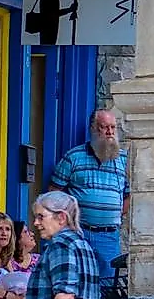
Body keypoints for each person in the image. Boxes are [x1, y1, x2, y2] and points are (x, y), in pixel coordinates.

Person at [50, 108, 129, 273]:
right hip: (79, 232)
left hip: (108, 236)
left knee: (107, 286)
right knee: (76, 282)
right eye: (104, 127)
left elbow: (129, 196)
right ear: (93, 129)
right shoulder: (73, 157)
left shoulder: (123, 160)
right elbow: (54, 193)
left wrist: (112, 214)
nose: (110, 132)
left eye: (113, 127)